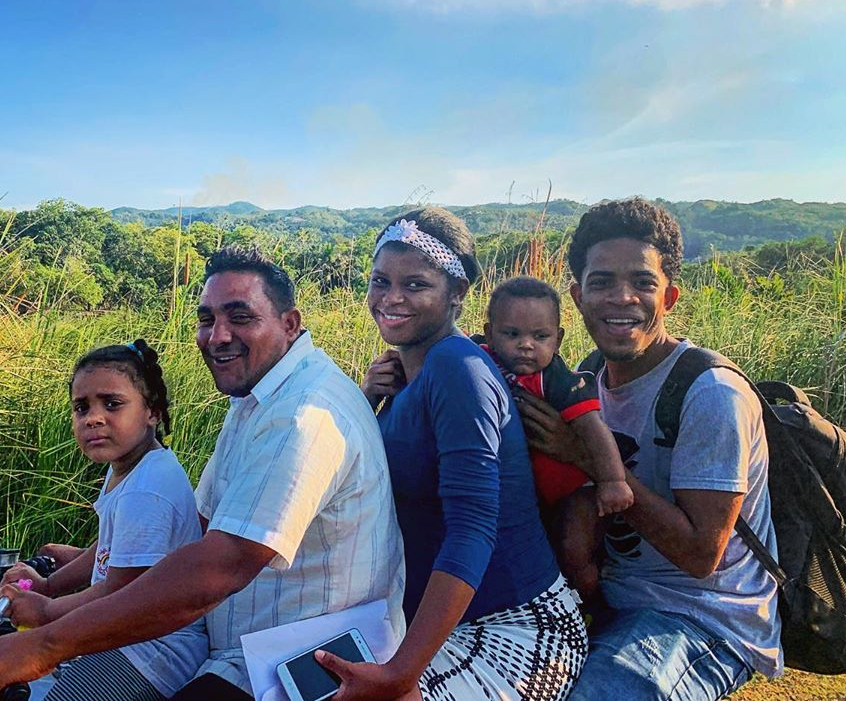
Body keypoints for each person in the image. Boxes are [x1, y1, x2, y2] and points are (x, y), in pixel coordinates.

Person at [0, 246, 404, 701]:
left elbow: (219, 567)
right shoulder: (256, 397)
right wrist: (90, 560)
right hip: (238, 642)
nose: (218, 336)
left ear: (289, 324)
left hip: (299, 657)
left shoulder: (304, 415)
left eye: (240, 316)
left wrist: (46, 641)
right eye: (207, 319)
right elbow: (200, 526)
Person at [517, 197, 782, 700]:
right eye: (602, 282)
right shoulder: (585, 378)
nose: (622, 298)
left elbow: (701, 555)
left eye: (642, 282)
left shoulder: (710, 395)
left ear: (670, 297)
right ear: (576, 296)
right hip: (610, 592)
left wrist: (587, 457)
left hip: (703, 613)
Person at [318, 208, 587, 701]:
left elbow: (473, 529)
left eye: (416, 285)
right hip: (421, 620)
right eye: (381, 281)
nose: (391, 298)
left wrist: (402, 673)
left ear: (458, 294)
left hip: (514, 629)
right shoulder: (403, 375)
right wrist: (366, 397)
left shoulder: (458, 369)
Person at [0, 341, 207, 701]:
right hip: (127, 638)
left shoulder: (147, 490)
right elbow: (110, 549)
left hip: (152, 654)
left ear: (152, 412)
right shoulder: (131, 468)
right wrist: (50, 584)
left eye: (112, 404)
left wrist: (47, 610)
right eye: (82, 408)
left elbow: (120, 592)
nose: (93, 418)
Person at [482, 276, 633, 601]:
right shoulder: (480, 361)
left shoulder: (557, 380)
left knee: (573, 551)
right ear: (490, 333)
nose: (526, 345)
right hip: (528, 491)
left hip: (574, 488)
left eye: (540, 336)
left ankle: (592, 606)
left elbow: (594, 428)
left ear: (558, 339)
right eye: (512, 334)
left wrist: (612, 480)